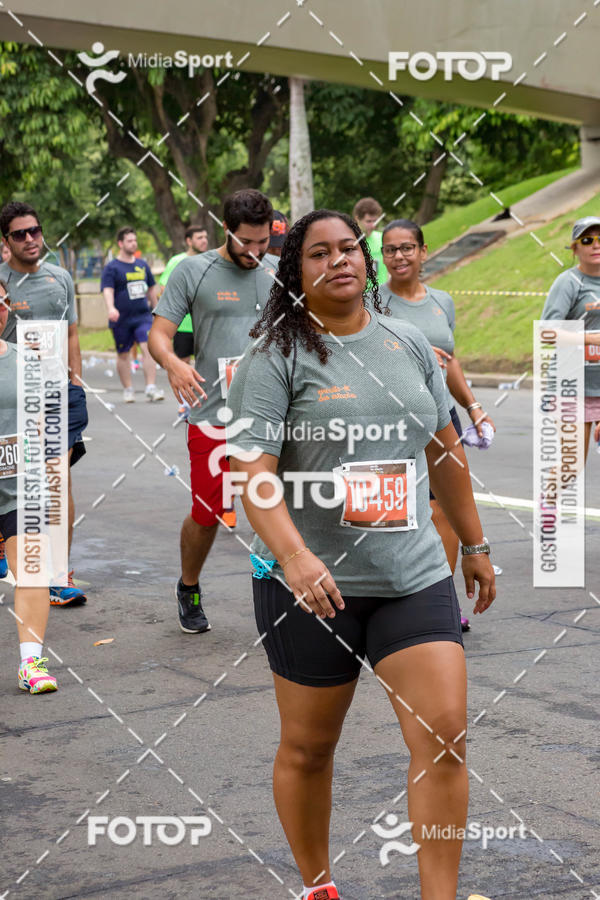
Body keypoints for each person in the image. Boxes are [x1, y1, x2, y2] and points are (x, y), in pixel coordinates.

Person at [226, 209, 496, 900]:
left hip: (410, 574)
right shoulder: (272, 359)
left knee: (444, 736)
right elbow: (252, 473)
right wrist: (292, 556)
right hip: (313, 587)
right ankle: (318, 885)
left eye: (350, 248)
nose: (339, 260)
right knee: (310, 748)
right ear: (296, 272)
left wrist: (474, 542)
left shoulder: (407, 344)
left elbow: (444, 449)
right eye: (319, 253)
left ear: (367, 259)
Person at [148, 189, 278, 634]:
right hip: (212, 413)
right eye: (247, 243)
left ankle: (282, 595)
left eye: (263, 241)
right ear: (227, 231)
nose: (256, 252)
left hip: (272, 414)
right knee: (208, 514)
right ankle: (189, 585)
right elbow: (159, 334)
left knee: (281, 504)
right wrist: (173, 364)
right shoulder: (194, 271)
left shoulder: (278, 272)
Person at [379, 218, 496, 629]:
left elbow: (451, 361)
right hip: (394, 420)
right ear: (382, 256)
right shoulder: (373, 300)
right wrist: (412, 349)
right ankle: (394, 599)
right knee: (402, 514)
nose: (399, 256)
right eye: (390, 249)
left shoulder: (442, 301)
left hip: (441, 415)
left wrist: (474, 407)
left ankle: (441, 601)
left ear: (424, 251)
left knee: (442, 509)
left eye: (407, 247)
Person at [0, 201, 88, 606]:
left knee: (56, 482)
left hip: (57, 395)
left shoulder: (61, 278)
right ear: (6, 241)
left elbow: (71, 334)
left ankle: (56, 573)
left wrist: (76, 379)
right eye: (20, 234)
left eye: (35, 230)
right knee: (13, 482)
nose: (31, 239)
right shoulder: (1, 282)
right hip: (12, 399)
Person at [0, 279, 57, 692]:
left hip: (20, 484)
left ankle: (31, 663)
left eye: (1, 301)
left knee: (32, 571)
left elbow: (42, 422)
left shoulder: (27, 359)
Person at [542, 216, 600, 458]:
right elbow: (547, 332)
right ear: (575, 248)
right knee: (571, 467)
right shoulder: (568, 283)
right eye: (588, 240)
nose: (596, 245)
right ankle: (548, 498)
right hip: (573, 386)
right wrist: (590, 339)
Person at [101, 227, 164, 403]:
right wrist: (111, 308)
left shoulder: (142, 265)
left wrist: (157, 310)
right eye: (129, 241)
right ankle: (128, 389)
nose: (133, 243)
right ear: (120, 243)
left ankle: (151, 387)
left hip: (142, 316)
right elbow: (107, 289)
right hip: (121, 318)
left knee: (148, 349)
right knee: (123, 354)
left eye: (135, 240)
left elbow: (151, 289)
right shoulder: (112, 267)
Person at [159, 226, 209, 364]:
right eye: (199, 238)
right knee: (182, 363)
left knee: (207, 363)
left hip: (205, 323)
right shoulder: (177, 261)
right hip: (183, 324)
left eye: (205, 237)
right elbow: (164, 290)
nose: (204, 241)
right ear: (189, 241)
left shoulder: (210, 261)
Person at [352, 197, 387, 285]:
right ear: (357, 218)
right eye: (368, 221)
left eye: (375, 221)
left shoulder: (383, 238)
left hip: (383, 295)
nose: (372, 225)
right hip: (360, 296)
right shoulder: (348, 242)